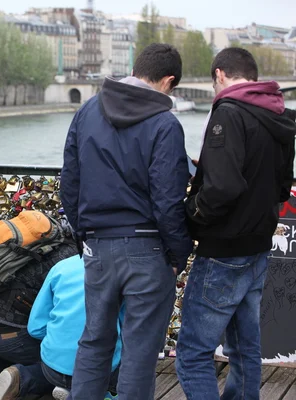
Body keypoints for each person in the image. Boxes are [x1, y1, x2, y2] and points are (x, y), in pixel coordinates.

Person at [60, 43, 193, 400]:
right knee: (140, 352)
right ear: (167, 80)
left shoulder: (87, 111)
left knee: (93, 342)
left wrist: (85, 236)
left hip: (98, 246)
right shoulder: (165, 124)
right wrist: (178, 253)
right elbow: (168, 201)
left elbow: (69, 184)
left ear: (136, 68)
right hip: (148, 248)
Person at [177, 47, 296, 400]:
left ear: (219, 75)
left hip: (223, 250)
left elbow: (224, 188)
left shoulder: (228, 113)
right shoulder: (277, 115)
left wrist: (192, 212)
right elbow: (279, 186)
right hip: (258, 246)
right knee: (244, 350)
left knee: (192, 354)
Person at [0, 228, 78, 400]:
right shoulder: (75, 259)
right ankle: (23, 379)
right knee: (70, 362)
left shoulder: (41, 232)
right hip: (10, 336)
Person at [27, 254, 124, 400]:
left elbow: (35, 328)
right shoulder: (126, 272)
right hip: (100, 371)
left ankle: (69, 387)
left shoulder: (60, 267)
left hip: (52, 369)